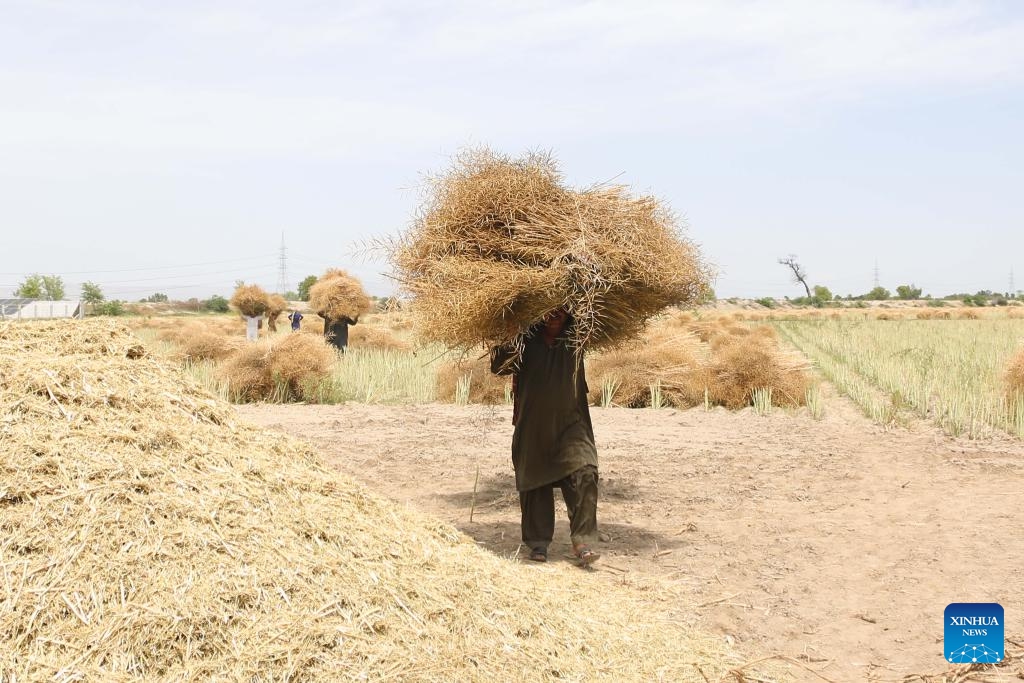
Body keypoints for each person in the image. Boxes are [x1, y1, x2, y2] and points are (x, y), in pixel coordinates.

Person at [490, 309, 600, 566]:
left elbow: (598, 315)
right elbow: (498, 367)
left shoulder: (577, 336)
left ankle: (583, 541)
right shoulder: (524, 340)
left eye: (560, 311)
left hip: (572, 425)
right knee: (534, 481)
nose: (554, 316)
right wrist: (510, 335)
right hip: (533, 425)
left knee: (586, 471)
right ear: (537, 312)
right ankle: (538, 543)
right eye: (548, 312)